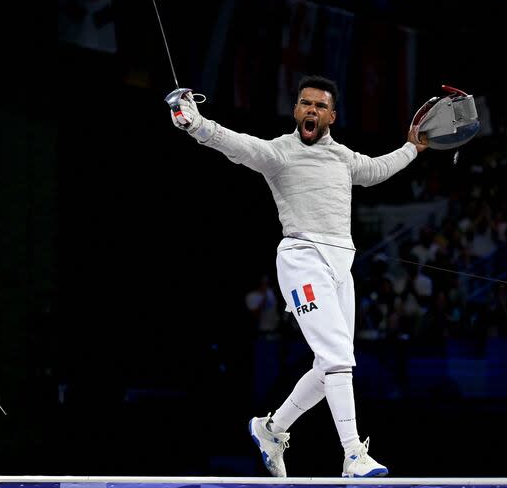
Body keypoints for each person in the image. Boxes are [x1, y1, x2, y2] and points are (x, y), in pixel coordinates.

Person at [170, 75, 429, 477]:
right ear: (295, 110)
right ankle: (352, 456)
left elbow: (377, 169)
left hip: (341, 265)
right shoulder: (279, 153)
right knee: (339, 358)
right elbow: (236, 144)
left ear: (332, 115)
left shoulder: (342, 157)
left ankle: (271, 430)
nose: (311, 110)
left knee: (330, 365)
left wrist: (413, 148)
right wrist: (196, 123)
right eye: (305, 104)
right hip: (301, 259)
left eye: (319, 106)